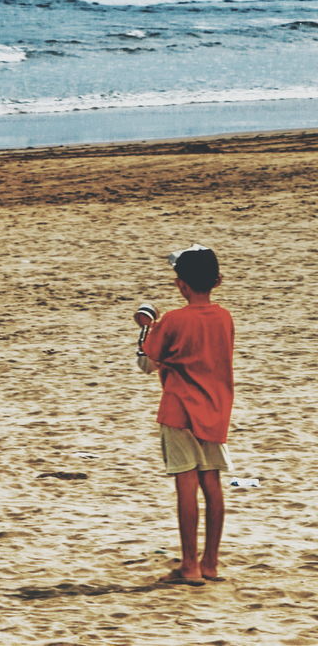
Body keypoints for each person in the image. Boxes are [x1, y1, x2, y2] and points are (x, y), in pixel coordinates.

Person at [138, 244, 234, 585]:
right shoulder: (224, 316)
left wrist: (146, 328)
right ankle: (211, 563)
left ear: (180, 284)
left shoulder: (174, 320)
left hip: (179, 409)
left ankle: (189, 565)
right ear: (217, 281)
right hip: (216, 407)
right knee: (213, 483)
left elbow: (147, 362)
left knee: (186, 483)